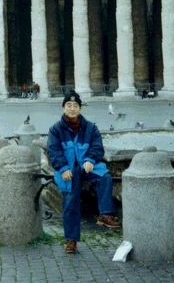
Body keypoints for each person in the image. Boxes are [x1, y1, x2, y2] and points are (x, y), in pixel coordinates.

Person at [47, 90, 120, 254]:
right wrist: (63, 168)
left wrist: (90, 160)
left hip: (86, 167)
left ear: (80, 108)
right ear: (63, 107)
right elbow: (54, 151)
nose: (72, 108)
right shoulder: (56, 130)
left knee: (105, 177)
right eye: (68, 105)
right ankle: (71, 240)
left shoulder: (91, 128)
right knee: (70, 201)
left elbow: (97, 147)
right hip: (69, 170)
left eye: (75, 105)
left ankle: (105, 214)